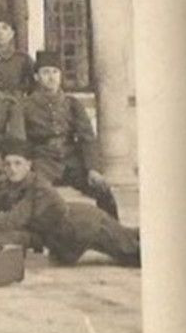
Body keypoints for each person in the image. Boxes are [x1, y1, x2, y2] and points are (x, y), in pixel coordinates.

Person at [0, 142, 139, 266]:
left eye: (17, 163)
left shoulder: (39, 187)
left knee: (136, 256)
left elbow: (12, 220)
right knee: (131, 235)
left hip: (87, 226)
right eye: (7, 164)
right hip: (66, 235)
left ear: (28, 164)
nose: (12, 169)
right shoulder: (5, 184)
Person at [23, 51, 119, 217]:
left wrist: (92, 168)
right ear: (36, 77)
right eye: (45, 72)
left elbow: (87, 137)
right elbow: (20, 138)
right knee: (35, 193)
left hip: (71, 159)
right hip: (43, 160)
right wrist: (27, 164)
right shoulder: (26, 105)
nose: (51, 77)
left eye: (55, 72)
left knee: (102, 188)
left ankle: (114, 231)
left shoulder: (72, 104)